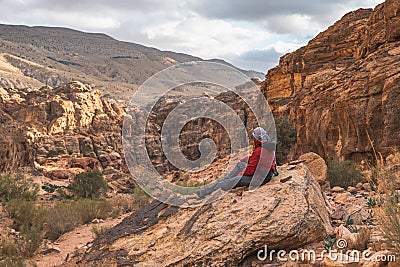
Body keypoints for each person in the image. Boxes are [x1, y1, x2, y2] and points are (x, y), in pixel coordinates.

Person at [196, 127, 277, 197]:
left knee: (231, 180)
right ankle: (226, 180)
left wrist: (240, 174)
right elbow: (263, 160)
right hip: (266, 174)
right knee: (241, 164)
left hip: (259, 178)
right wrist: (245, 160)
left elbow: (250, 170)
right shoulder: (269, 146)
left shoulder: (259, 150)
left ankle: (206, 191)